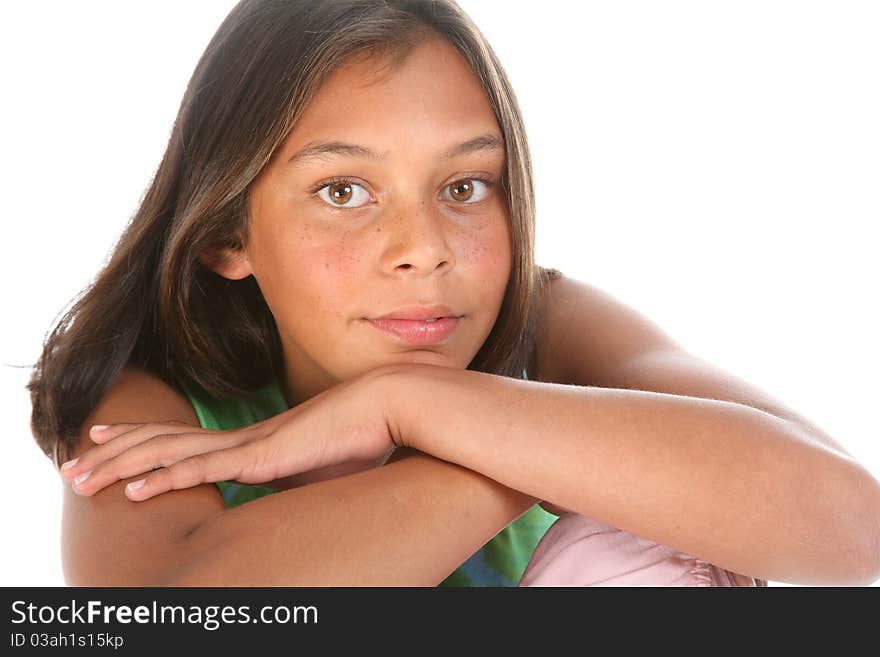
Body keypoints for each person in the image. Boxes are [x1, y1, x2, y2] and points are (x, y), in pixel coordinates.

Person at [29, 0, 880, 587]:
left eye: (466, 186)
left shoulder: (549, 321)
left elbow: (853, 525)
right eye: (343, 191)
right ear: (226, 233)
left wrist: (414, 401)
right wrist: (520, 457)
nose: (425, 250)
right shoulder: (153, 391)